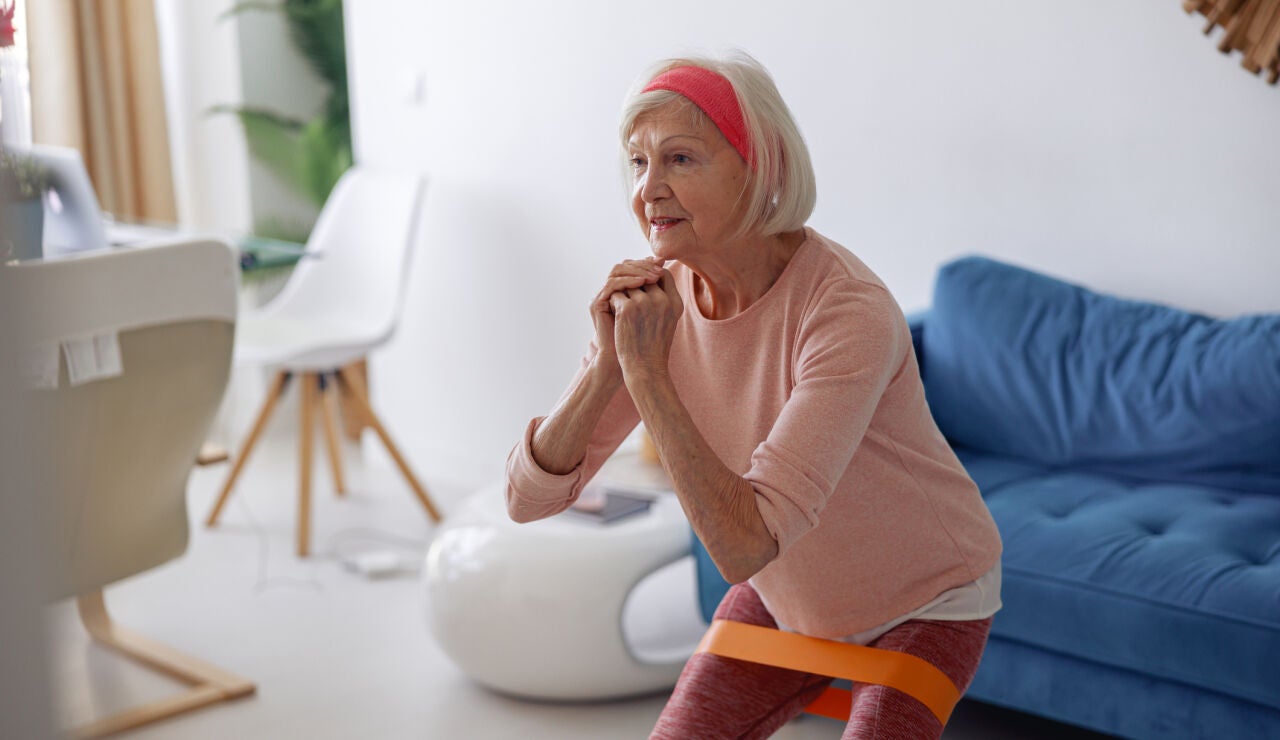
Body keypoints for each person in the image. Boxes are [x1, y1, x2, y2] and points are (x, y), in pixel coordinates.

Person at [504, 52, 1002, 740]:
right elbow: (528, 501)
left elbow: (744, 547)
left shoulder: (844, 310)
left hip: (928, 595)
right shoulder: (655, 302)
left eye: (680, 159)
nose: (649, 189)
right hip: (786, 591)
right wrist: (609, 369)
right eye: (637, 162)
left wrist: (648, 375)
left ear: (759, 166)